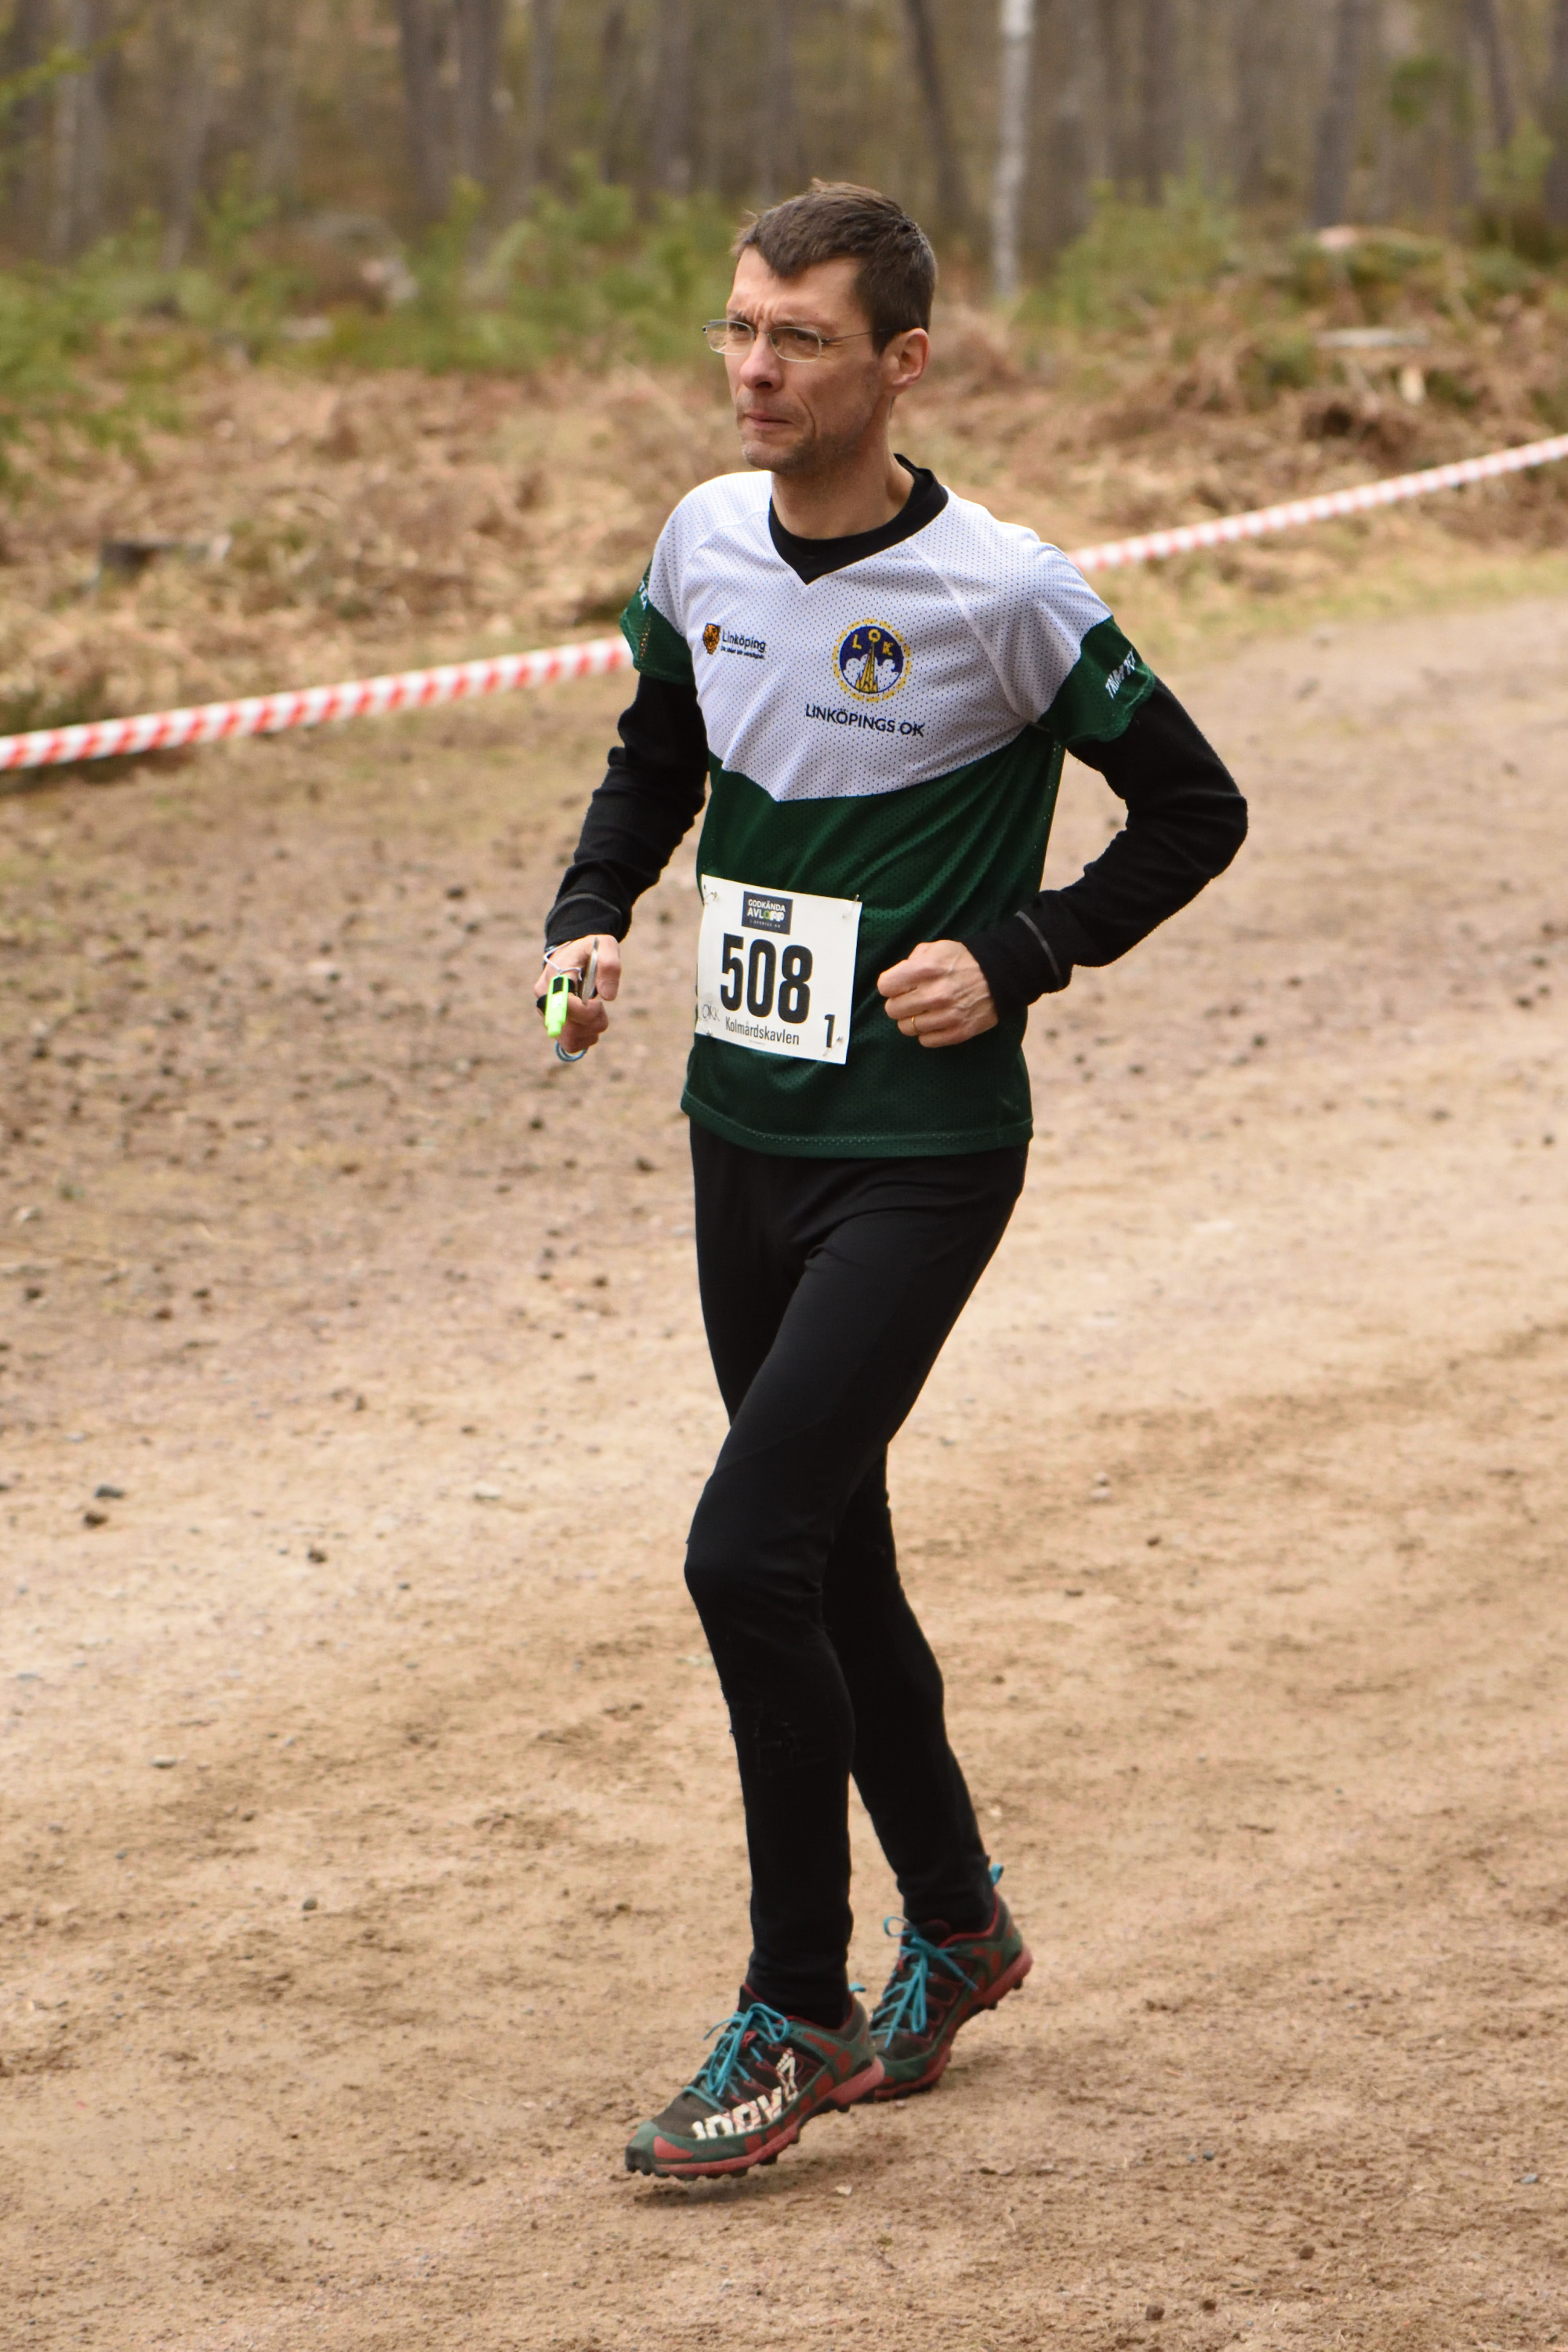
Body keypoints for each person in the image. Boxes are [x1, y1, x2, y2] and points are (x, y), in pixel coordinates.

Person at [536, 182, 1247, 2181]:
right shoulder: (699, 538)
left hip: (920, 1156)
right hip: (741, 1128)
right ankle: (961, 1925)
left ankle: (799, 2010)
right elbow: (655, 753)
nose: (754, 369)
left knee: (741, 1552)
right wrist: (593, 910)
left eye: (801, 338)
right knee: (828, 1551)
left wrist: (1024, 951)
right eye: (737, 328)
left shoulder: (1006, 592)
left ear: (900, 363)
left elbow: (1196, 809)